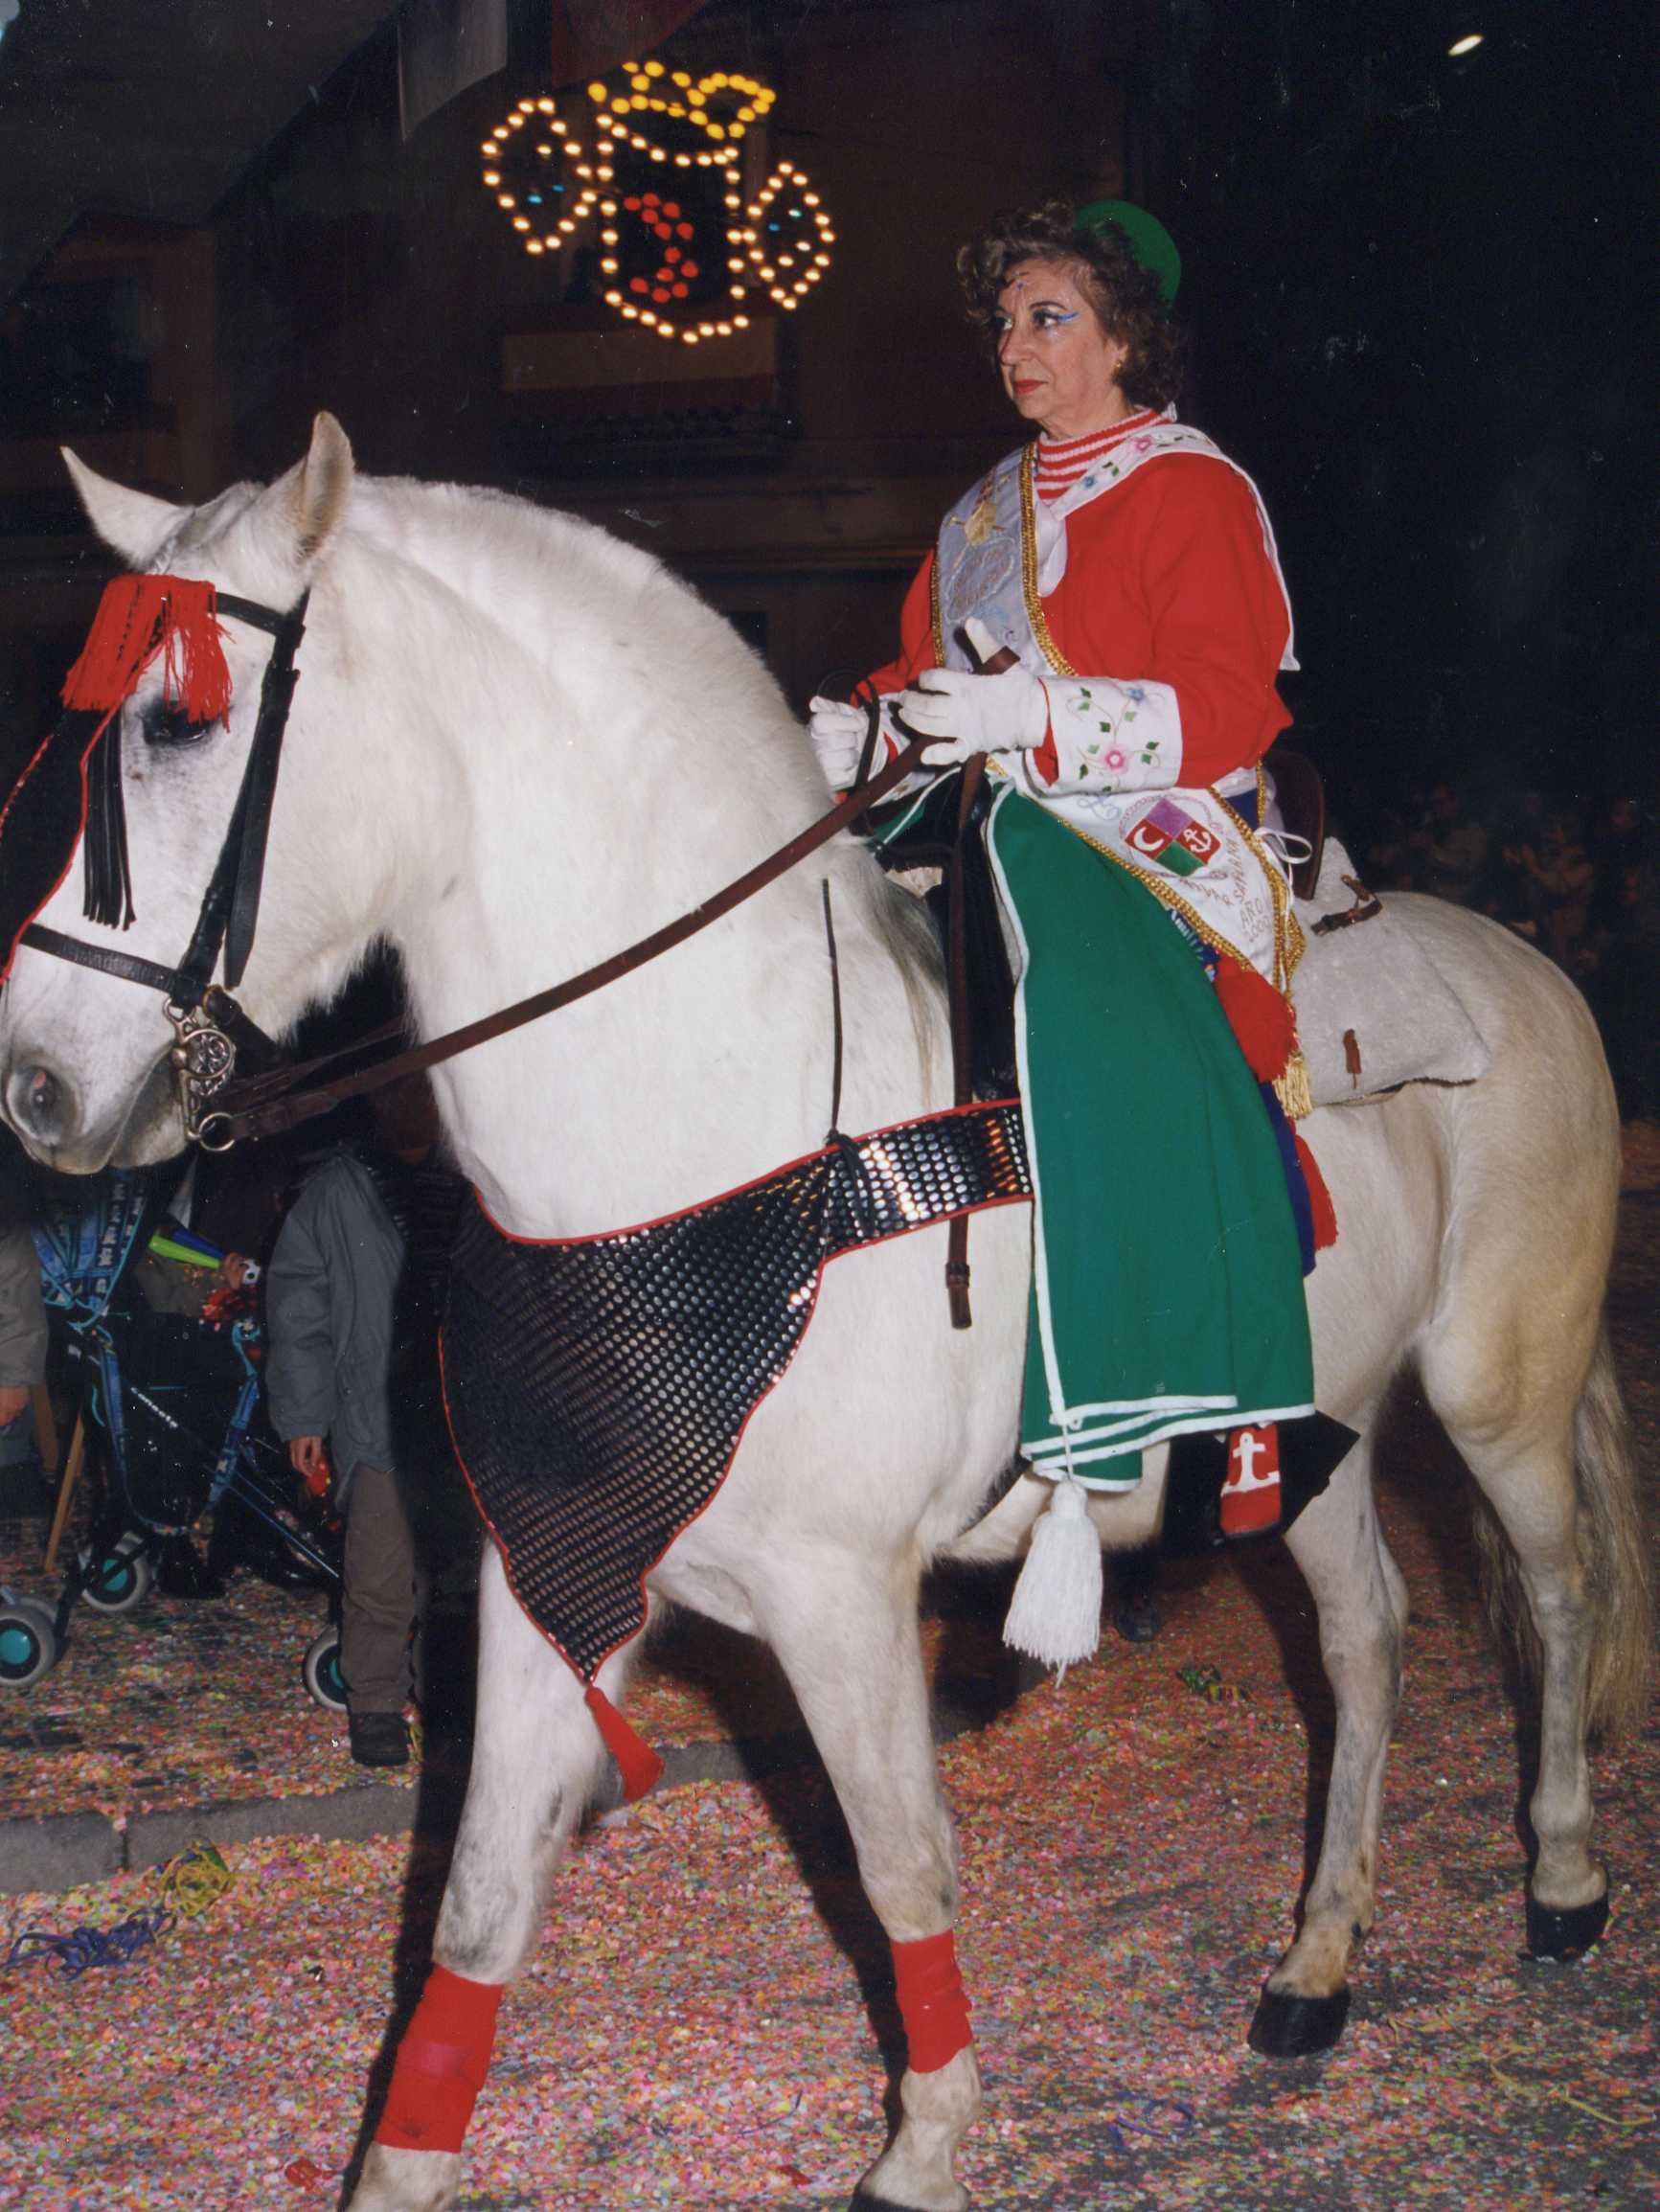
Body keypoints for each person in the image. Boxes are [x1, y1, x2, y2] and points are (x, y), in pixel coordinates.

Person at [808, 199, 1325, 1529]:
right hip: (983, 797)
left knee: (1079, 961)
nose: (1013, 347)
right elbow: (922, 672)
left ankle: (1199, 1368)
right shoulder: (980, 513)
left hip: (1154, 824)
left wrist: (1032, 714)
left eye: (1048, 318)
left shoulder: (1191, 487)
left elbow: (1229, 702)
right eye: (1004, 321)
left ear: (1124, 339)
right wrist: (862, 729)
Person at [263, 1077, 463, 1767]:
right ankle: (375, 1701)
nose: (414, 1106)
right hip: (379, 1414)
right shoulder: (337, 1190)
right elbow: (298, 1309)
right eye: (400, 1094)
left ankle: (450, 1700)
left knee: (458, 1578)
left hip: (461, 1419)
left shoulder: (467, 1173)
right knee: (378, 1571)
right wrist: (303, 1414)